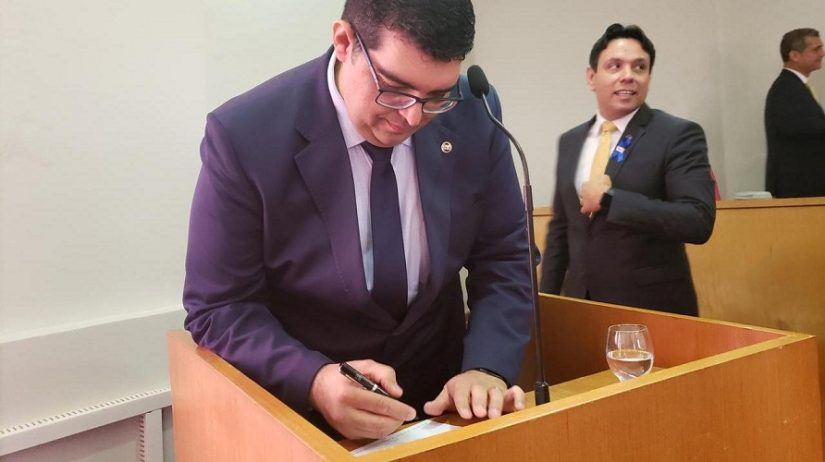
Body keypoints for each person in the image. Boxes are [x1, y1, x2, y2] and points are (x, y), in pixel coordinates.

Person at [183, 0, 532, 440]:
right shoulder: (246, 134)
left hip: (442, 408)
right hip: (307, 423)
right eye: (395, 89)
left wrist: (486, 366)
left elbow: (504, 257)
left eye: (436, 97)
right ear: (345, 42)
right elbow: (219, 307)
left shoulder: (474, 110)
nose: (413, 117)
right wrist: (313, 380)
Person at [540, 24, 716, 317]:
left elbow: (698, 220)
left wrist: (611, 200)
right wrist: (545, 304)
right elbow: (561, 229)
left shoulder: (677, 134)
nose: (628, 75)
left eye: (639, 67)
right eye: (615, 66)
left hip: (651, 309)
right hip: (581, 307)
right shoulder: (570, 141)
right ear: (592, 77)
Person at [765, 28, 825, 198]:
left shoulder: (794, 87)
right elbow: (812, 130)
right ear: (794, 56)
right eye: (816, 49)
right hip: (799, 189)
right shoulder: (786, 89)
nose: (822, 53)